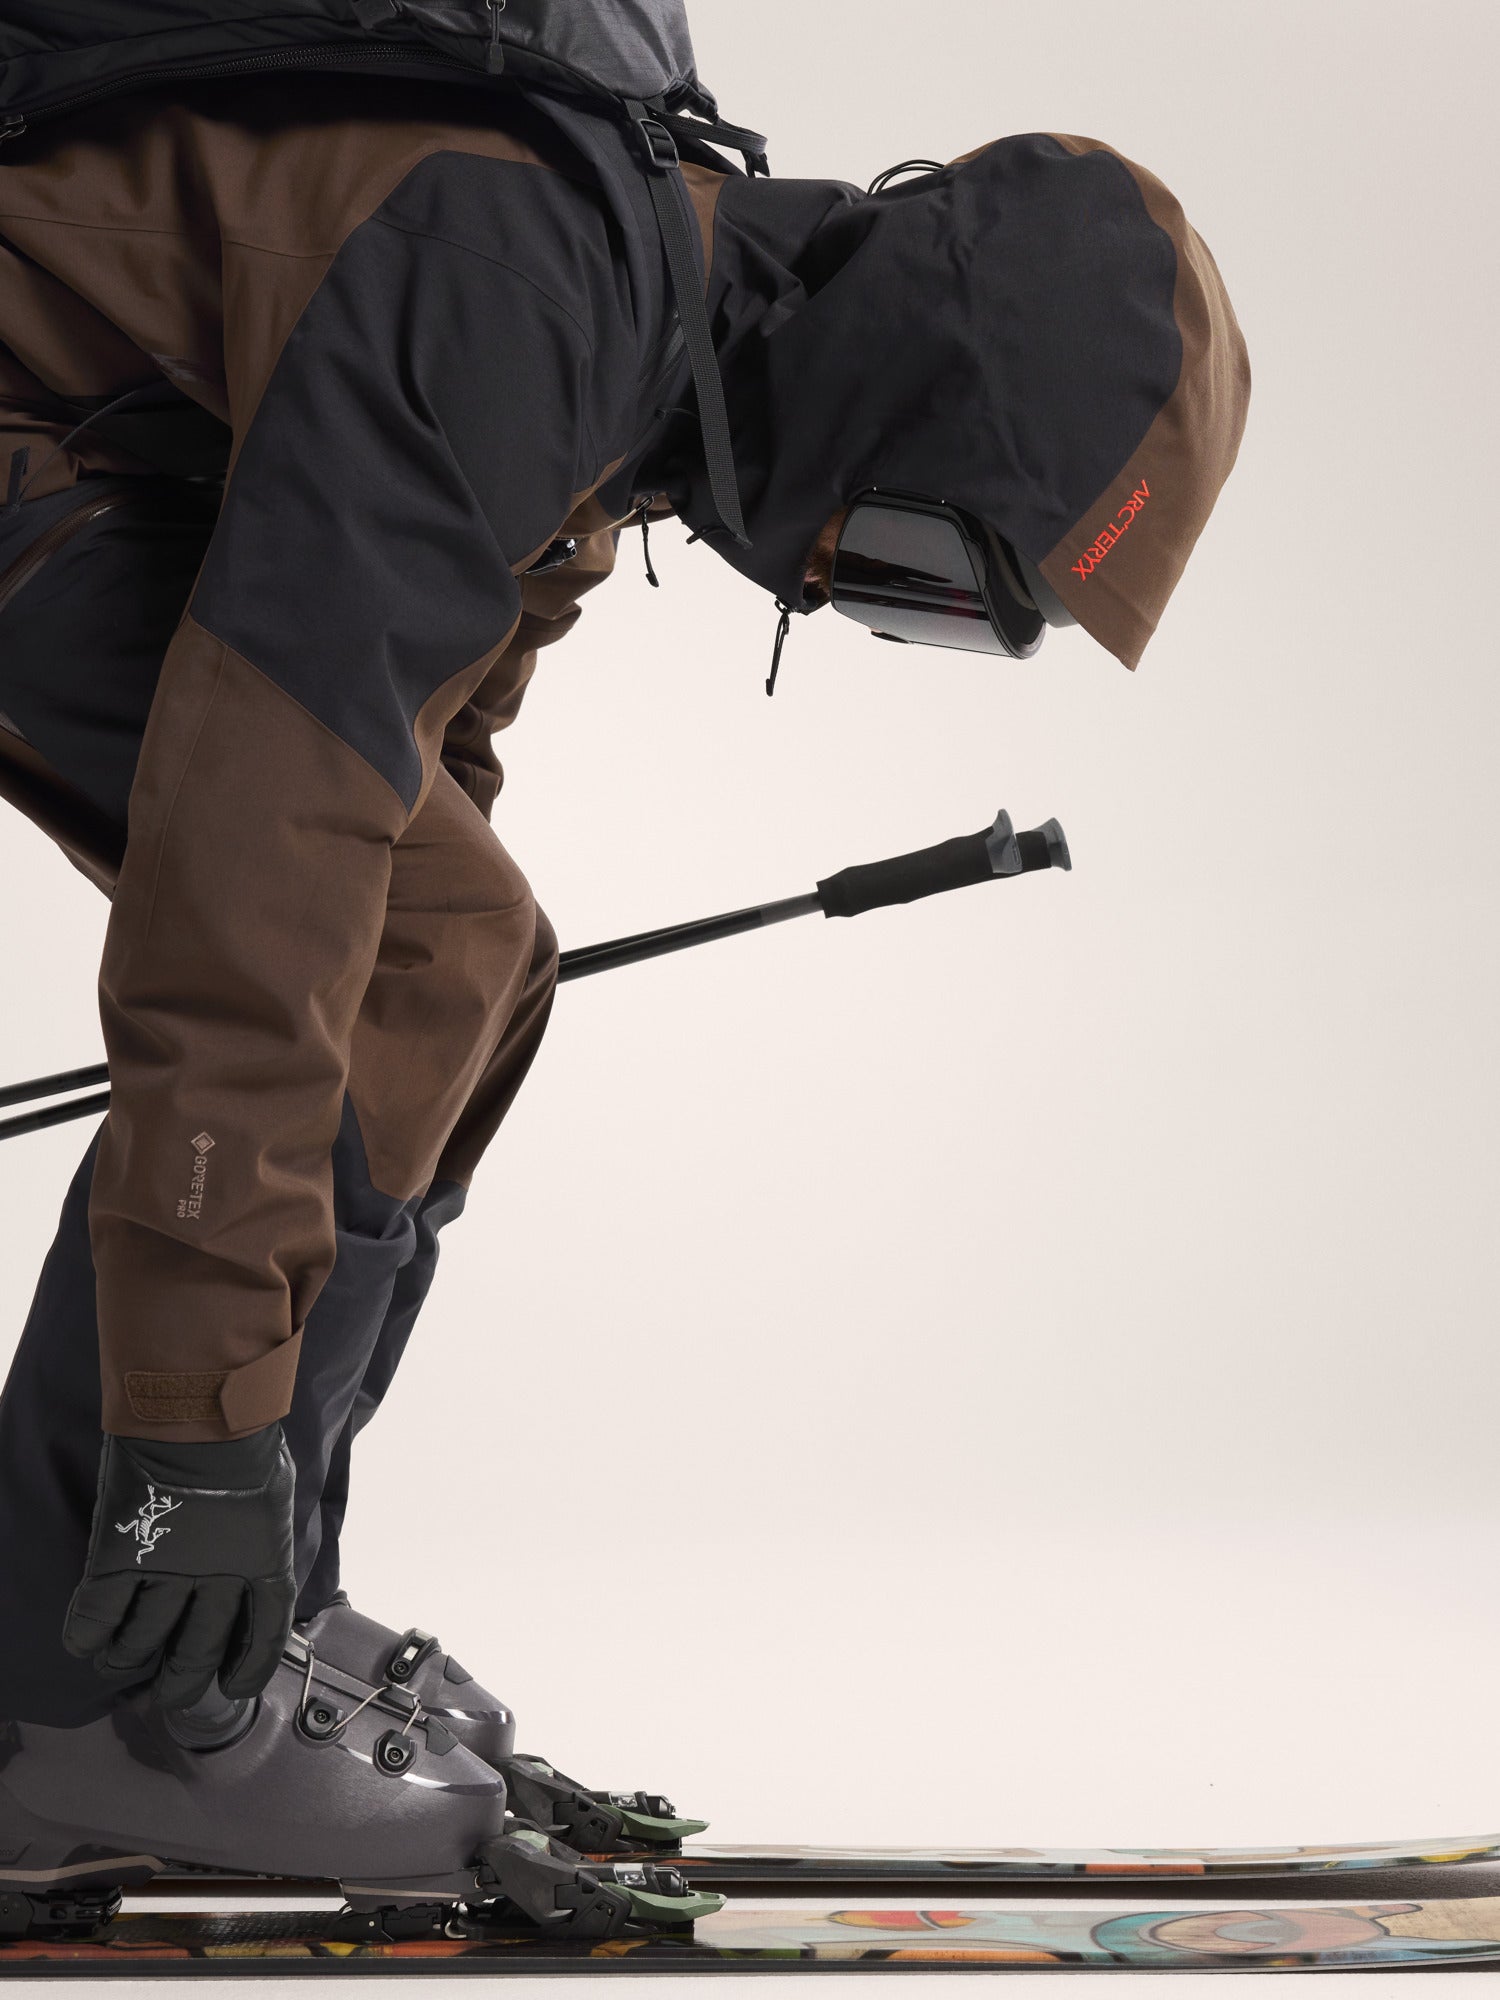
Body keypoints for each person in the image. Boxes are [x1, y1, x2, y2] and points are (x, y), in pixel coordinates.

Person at [0, 67, 1249, 1918]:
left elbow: (425, 754)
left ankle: (235, 1617)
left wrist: (256, 1487)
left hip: (78, 440)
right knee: (398, 941)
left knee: (458, 955)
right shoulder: (525, 299)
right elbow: (271, 866)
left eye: (921, 611)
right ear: (882, 385)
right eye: (910, 564)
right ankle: (79, 1692)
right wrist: (193, 1417)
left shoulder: (632, 361)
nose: (830, 584)